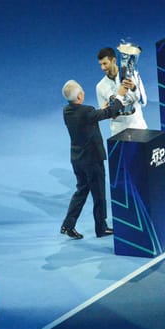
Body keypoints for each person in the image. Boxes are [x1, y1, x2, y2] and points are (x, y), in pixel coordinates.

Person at [60, 80, 124, 239]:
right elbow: (110, 112)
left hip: (77, 159)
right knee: (99, 195)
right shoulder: (87, 111)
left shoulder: (66, 110)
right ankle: (101, 228)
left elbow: (89, 116)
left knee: (81, 191)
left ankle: (68, 225)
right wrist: (120, 97)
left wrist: (98, 111)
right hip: (92, 160)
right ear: (80, 95)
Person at [95, 47, 148, 135]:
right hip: (118, 133)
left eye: (105, 63)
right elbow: (104, 114)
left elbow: (144, 102)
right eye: (100, 64)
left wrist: (134, 88)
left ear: (114, 61)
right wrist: (110, 111)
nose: (102, 68)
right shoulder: (100, 87)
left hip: (138, 128)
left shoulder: (132, 75)